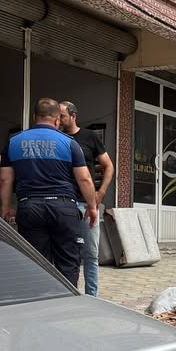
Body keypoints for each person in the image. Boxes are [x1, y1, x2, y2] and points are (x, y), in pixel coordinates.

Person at [0, 98, 98, 287]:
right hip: (64, 208)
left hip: (30, 207)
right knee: (68, 264)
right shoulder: (69, 143)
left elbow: (5, 179)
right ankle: (67, 306)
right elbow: (84, 178)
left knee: (36, 264)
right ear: (57, 120)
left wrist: (6, 207)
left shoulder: (13, 142)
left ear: (35, 117)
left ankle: (40, 305)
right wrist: (92, 207)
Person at [58, 100, 113, 297]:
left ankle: (92, 297)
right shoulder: (56, 138)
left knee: (90, 254)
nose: (59, 119)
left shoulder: (89, 137)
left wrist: (101, 193)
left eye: (62, 115)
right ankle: (66, 294)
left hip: (86, 204)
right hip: (62, 204)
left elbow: (108, 166)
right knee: (65, 253)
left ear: (73, 116)